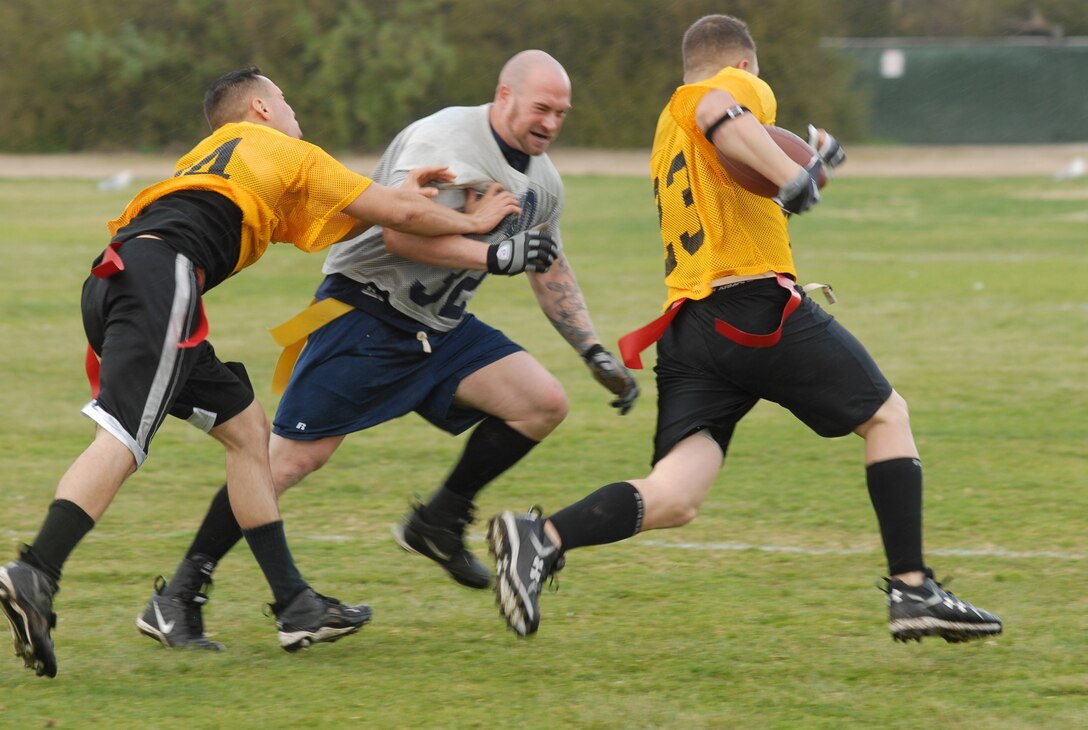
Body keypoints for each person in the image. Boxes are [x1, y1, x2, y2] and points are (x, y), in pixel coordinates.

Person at [488, 15, 1004, 643]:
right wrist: (796, 175)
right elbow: (718, 108)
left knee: (675, 496)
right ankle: (914, 590)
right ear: (745, 64)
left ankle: (541, 538)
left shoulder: (663, 131)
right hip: (752, 308)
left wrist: (805, 165)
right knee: (887, 416)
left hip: (692, 326)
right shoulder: (727, 87)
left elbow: (727, 154)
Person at [0, 66, 521, 678]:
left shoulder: (217, 154)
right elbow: (392, 214)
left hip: (128, 277)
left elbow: (352, 215)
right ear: (260, 109)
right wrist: (475, 224)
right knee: (121, 435)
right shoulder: (283, 148)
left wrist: (411, 195)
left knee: (248, 433)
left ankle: (295, 606)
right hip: (160, 277)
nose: (296, 113)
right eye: (287, 99)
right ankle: (35, 571)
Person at [134, 50, 639, 651]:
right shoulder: (445, 139)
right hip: (362, 313)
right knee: (285, 463)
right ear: (504, 95)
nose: (552, 121)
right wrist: (489, 253)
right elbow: (401, 231)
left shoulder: (543, 180)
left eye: (562, 111)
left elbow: (544, 262)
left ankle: (438, 522)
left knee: (540, 402)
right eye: (542, 107)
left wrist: (591, 349)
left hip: (438, 328)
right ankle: (179, 594)